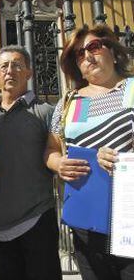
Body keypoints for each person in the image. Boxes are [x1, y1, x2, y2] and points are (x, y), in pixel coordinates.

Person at [45, 25, 134, 279]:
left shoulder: (132, 89)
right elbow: (51, 148)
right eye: (79, 54)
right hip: (87, 219)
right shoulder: (71, 102)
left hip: (129, 215)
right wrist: (59, 163)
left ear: (114, 53)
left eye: (94, 47)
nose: (88, 56)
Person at [0, 46, 62, 280]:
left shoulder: (47, 112)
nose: (10, 71)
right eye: (4, 66)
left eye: (18, 65)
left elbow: (59, 155)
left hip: (38, 220)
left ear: (29, 73)